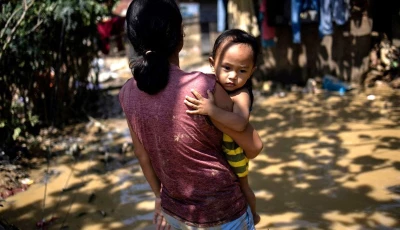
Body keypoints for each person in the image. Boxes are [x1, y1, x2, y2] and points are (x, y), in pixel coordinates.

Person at [119, 0, 263, 229]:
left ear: (133, 38)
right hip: (225, 214)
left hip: (175, 215)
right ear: (180, 34)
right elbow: (254, 147)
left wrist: (159, 198)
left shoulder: (127, 92)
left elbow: (142, 155)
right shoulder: (204, 86)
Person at [184, 29, 261, 225]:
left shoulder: (242, 94)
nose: (233, 76)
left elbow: (240, 122)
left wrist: (211, 110)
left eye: (242, 70)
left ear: (252, 71)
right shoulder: (213, 85)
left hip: (235, 153)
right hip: (222, 151)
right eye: (226, 68)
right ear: (212, 64)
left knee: (244, 187)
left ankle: (253, 213)